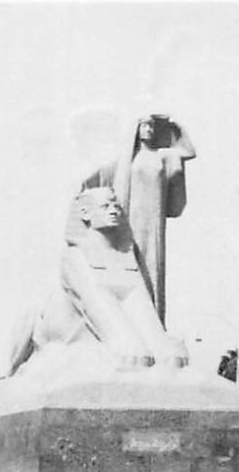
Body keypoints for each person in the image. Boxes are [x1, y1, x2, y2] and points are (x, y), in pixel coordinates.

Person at [8, 186, 188, 376]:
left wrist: (159, 343)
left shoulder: (127, 255)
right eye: (105, 206)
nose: (113, 211)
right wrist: (125, 343)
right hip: (62, 329)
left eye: (116, 206)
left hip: (105, 317)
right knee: (131, 351)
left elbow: (140, 304)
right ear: (85, 213)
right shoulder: (75, 256)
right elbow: (96, 303)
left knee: (164, 352)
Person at [83, 114, 196, 327]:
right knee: (131, 265)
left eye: (152, 127)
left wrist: (174, 126)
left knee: (153, 265)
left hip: (153, 222)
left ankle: (154, 320)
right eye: (145, 126)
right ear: (137, 129)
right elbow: (99, 177)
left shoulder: (162, 156)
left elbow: (189, 152)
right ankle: (130, 320)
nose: (149, 130)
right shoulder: (127, 160)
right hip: (130, 220)